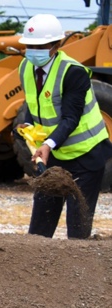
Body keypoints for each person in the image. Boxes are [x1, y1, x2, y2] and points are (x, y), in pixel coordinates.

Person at [18, 13, 112, 239]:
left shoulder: (73, 72)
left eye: (40, 46)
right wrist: (28, 125)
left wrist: (48, 145)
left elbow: (71, 118)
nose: (33, 50)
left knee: (77, 230)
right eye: (29, 45)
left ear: (56, 45)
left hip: (86, 156)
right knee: (39, 228)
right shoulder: (25, 67)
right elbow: (34, 102)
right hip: (54, 156)